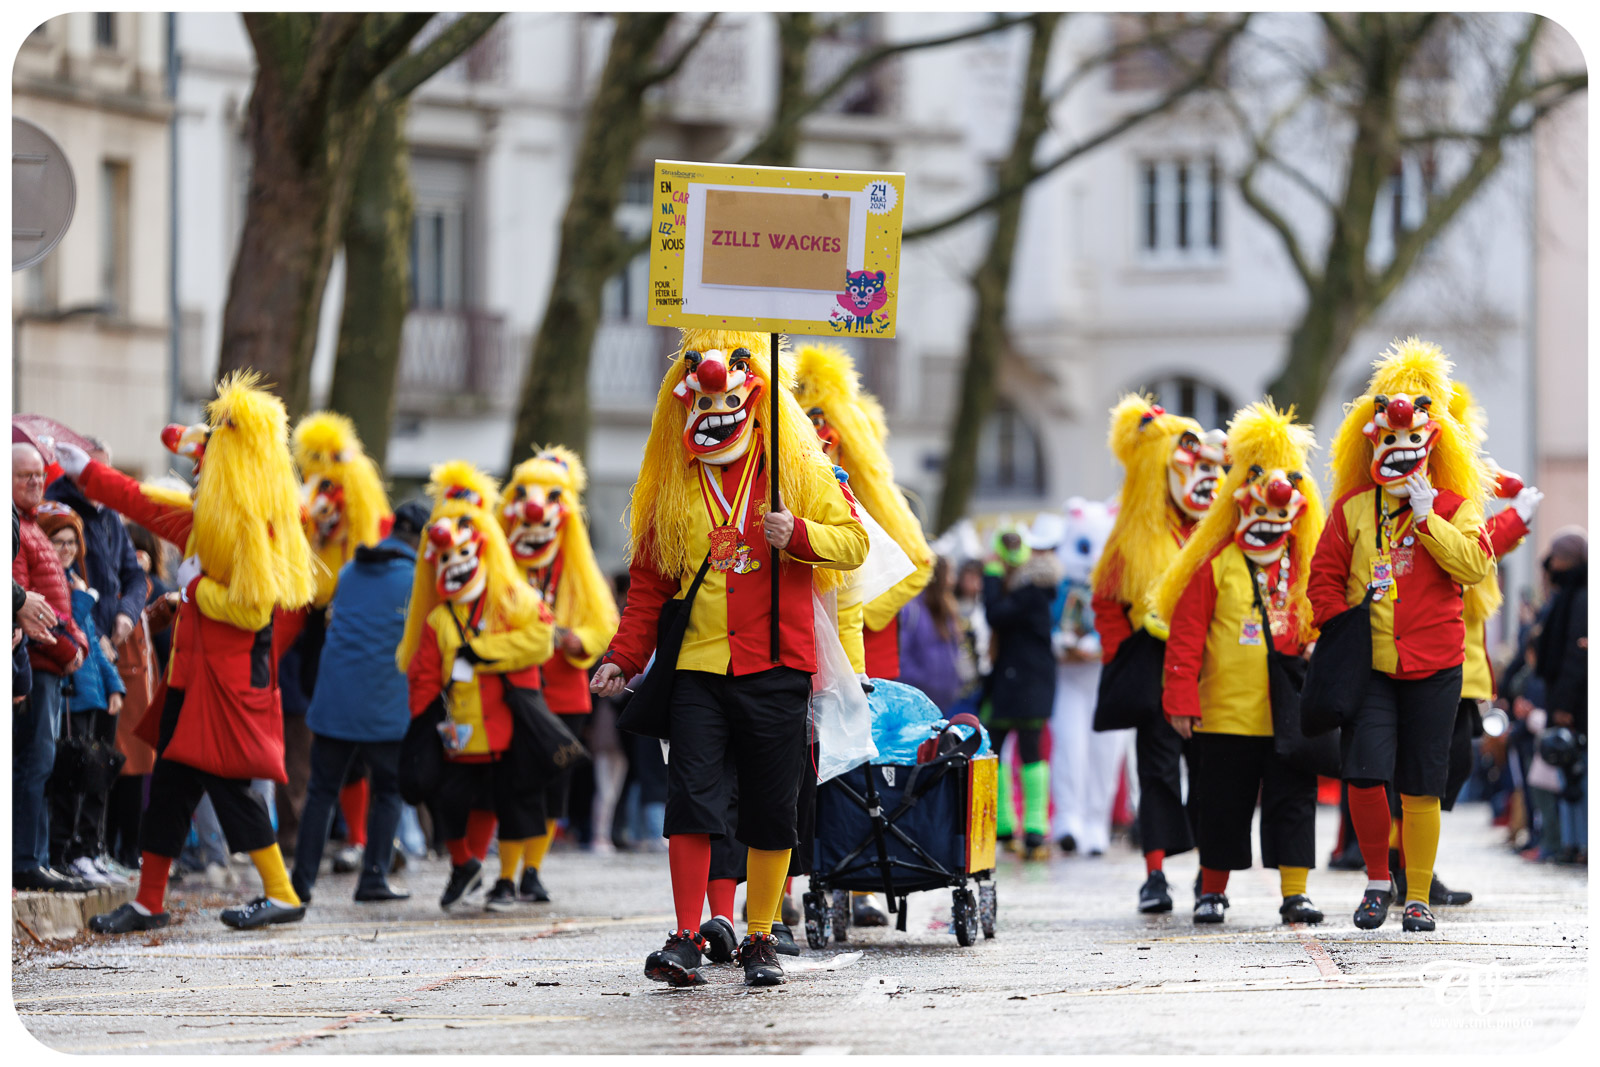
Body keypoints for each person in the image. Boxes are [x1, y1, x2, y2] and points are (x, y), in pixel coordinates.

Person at [591, 330, 866, 989]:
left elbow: (855, 540)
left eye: (736, 371)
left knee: (772, 809)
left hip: (777, 663)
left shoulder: (795, 471)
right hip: (697, 667)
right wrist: (624, 658)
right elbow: (650, 581)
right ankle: (686, 935)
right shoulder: (670, 482)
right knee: (691, 801)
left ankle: (760, 935)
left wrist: (796, 533)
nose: (716, 383)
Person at [64, 372, 318, 934]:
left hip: (223, 688)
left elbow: (253, 610)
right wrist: (87, 473)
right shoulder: (213, 518)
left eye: (205, 463)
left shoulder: (253, 526)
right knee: (172, 794)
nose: (197, 471)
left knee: (228, 793)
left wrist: (195, 590)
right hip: (192, 682)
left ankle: (279, 892)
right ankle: (151, 902)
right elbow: (145, 505)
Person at [1309, 338, 1495, 933]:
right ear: (1373, 444)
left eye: (1411, 440)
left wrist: (1427, 519)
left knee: (1423, 783)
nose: (1399, 450)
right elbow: (1323, 580)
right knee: (1365, 773)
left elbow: (1475, 567)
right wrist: (1342, 631)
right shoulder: (1352, 511)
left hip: (1438, 666)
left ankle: (1417, 895)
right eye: (1389, 441)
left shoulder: (1455, 506)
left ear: (1429, 444)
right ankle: (1375, 882)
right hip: (1371, 668)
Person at [1155, 402, 1326, 926]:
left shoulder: (1307, 565)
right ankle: (1212, 891)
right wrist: (1181, 699)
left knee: (1293, 804)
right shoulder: (1214, 567)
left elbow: (1327, 621)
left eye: (1280, 514)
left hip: (1289, 714)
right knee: (1221, 806)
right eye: (1260, 511)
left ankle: (1294, 892)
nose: (1269, 521)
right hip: (1225, 714)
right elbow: (1184, 639)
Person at [398, 462, 555, 913]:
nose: (452, 563)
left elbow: (540, 640)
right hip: (460, 732)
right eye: (442, 558)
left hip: (508, 729)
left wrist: (482, 653)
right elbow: (424, 674)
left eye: (458, 554)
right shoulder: (438, 618)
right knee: (447, 801)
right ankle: (464, 863)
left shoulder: (513, 601)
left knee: (508, 805)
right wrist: (421, 721)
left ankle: (507, 880)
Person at [1090, 395, 1227, 913]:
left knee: (1213, 774)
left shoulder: (1215, 531)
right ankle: (1155, 874)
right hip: (1156, 675)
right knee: (1157, 773)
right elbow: (1105, 600)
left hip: (1211, 671)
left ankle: (1208, 878)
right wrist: (1125, 648)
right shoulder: (1133, 541)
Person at [494, 446, 620, 907]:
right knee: (515, 784)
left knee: (552, 787)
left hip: (564, 694)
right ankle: (505, 876)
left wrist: (577, 641)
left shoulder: (578, 567)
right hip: (512, 691)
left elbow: (603, 622)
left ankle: (532, 871)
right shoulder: (498, 561)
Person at [290, 499, 429, 905]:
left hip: (334, 703)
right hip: (386, 706)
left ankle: (300, 884)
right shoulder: (418, 579)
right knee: (387, 791)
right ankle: (373, 878)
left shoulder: (350, 570)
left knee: (321, 792)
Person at [278, 413, 393, 860]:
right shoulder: (315, 503)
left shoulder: (370, 527)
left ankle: (364, 840)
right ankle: (348, 840)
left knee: (364, 744)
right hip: (318, 625)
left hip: (356, 636)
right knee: (333, 740)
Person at [13, 443, 91, 893]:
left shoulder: (31, 526)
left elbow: (53, 603)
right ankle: (26, 859)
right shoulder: (18, 530)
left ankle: (37, 857)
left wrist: (75, 642)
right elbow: (27, 607)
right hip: (39, 665)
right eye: (25, 475)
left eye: (40, 476)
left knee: (43, 764)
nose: (35, 484)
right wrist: (69, 650)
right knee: (34, 764)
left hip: (51, 664)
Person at [36, 501, 128, 885]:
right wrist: (82, 599)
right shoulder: (57, 585)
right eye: (59, 540)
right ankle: (64, 853)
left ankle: (90, 850)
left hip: (92, 693)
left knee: (94, 777)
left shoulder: (73, 579)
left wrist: (115, 685)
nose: (67, 548)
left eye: (72, 540)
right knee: (67, 782)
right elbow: (65, 626)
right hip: (70, 693)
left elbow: (93, 641)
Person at [983, 522, 1063, 860]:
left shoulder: (1026, 591)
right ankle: (1020, 829)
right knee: (1015, 751)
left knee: (1012, 750)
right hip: (1024, 681)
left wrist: (989, 575)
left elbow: (993, 614)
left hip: (1022, 682)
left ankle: (1026, 830)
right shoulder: (1033, 589)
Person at [1048, 497, 1123, 857]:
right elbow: (1048, 624)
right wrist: (1060, 642)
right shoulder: (1058, 587)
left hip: (1106, 678)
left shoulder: (1119, 587)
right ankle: (1068, 819)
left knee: (1105, 752)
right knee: (1069, 747)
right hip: (1069, 677)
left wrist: (1098, 644)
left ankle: (1097, 822)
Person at [45, 436, 147, 661]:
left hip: (110, 645)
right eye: (90, 469)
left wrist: (127, 613)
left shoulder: (109, 512)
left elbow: (136, 575)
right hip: (75, 644)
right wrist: (96, 635)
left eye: (103, 470)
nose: (97, 477)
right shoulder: (55, 510)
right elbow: (55, 585)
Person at [1534, 529, 1586, 862]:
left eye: (1558, 557)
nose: (1553, 564)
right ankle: (1572, 843)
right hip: (1564, 700)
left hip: (1577, 704)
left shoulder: (1581, 597)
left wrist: (1565, 704)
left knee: (1579, 776)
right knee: (1566, 773)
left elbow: (1576, 653)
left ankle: (1581, 845)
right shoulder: (1565, 595)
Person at [898, 556, 964, 712]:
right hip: (916, 702)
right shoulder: (912, 609)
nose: (953, 580)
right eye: (949, 574)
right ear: (938, 577)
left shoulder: (947, 610)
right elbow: (902, 656)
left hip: (943, 702)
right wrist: (925, 683)